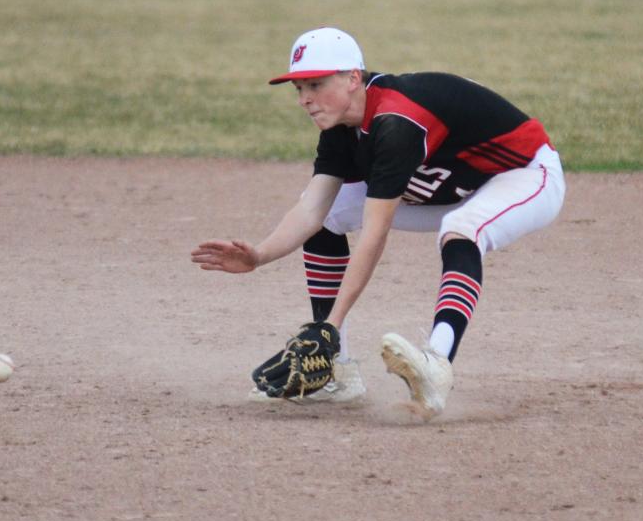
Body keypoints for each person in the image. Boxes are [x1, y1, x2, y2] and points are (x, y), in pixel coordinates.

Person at [191, 27, 565, 419]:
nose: (305, 100)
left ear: (354, 78)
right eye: (299, 88)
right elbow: (312, 210)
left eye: (315, 85)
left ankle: (437, 362)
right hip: (444, 183)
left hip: (523, 174)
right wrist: (259, 255)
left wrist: (328, 328)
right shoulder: (340, 127)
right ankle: (338, 373)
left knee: (463, 228)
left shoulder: (397, 122)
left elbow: (375, 233)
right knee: (330, 218)